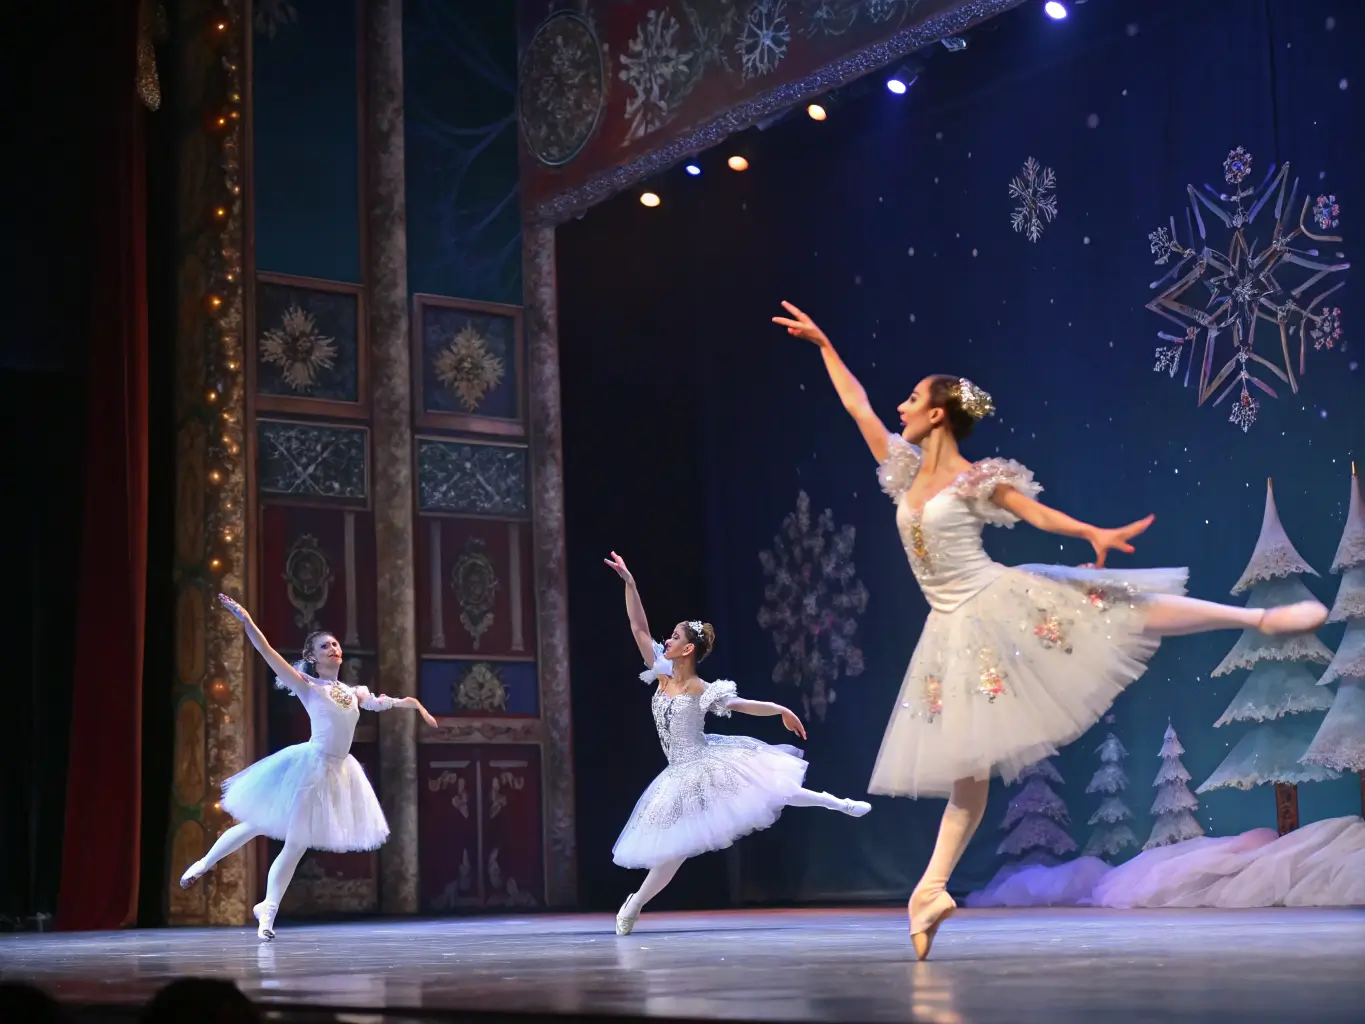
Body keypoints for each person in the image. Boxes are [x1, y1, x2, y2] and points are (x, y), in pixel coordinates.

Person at [773, 300, 1328, 959]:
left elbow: (1035, 516)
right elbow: (858, 407)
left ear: (937, 413)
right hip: (949, 630)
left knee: (1120, 604)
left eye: (912, 397)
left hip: (992, 598)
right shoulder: (902, 472)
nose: (900, 406)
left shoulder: (977, 479)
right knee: (967, 770)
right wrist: (824, 344)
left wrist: (1090, 532)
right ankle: (929, 891)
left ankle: (1255, 617)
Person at [604, 551, 872, 935]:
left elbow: (742, 705)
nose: (667, 639)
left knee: (772, 787)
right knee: (672, 850)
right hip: (677, 773)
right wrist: (630, 583)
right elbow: (638, 628)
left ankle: (839, 803)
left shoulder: (700, 688)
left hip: (705, 760)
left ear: (688, 649)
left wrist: (779, 708)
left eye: (675, 636)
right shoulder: (662, 674)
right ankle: (635, 904)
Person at [178, 594, 437, 940]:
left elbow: (383, 702)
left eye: (335, 643)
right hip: (309, 766)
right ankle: (217, 874)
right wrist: (246, 620)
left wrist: (416, 705)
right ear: (312, 657)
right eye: (325, 645)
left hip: (338, 772)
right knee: (268, 830)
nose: (333, 648)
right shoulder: (308, 686)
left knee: (287, 838)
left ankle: (264, 908)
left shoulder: (354, 691)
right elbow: (267, 651)